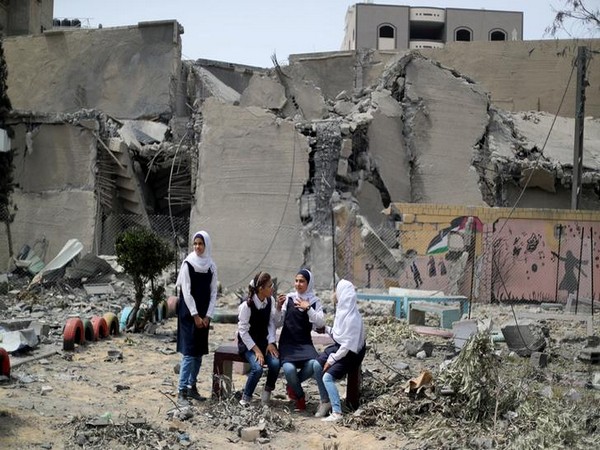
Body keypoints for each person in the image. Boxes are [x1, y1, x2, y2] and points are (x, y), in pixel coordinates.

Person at [277, 269, 330, 416]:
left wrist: (308, 309)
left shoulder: (314, 301)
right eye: (296, 281)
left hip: (304, 344)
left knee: (314, 364)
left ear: (309, 283)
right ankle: (300, 396)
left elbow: (320, 322)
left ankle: (292, 386)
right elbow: (277, 322)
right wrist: (277, 307)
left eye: (302, 281)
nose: (298, 284)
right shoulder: (288, 299)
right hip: (288, 344)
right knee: (288, 370)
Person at [175, 230, 218, 404]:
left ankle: (192, 387)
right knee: (189, 353)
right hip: (189, 313)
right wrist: (195, 315)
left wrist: (208, 315)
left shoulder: (211, 266)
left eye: (201, 244)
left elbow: (214, 292)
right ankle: (182, 391)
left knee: (199, 353)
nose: (198, 247)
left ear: (206, 245)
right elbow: (186, 290)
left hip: (204, 314)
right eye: (195, 244)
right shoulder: (188, 264)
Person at [318, 279, 366, 422]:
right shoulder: (343, 311)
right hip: (343, 348)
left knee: (327, 377)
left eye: (337, 291)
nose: (334, 294)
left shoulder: (352, 318)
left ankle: (337, 412)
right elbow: (340, 335)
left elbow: (347, 345)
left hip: (352, 353)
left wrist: (332, 359)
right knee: (316, 363)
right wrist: (326, 329)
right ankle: (325, 401)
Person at [237, 271, 281, 407]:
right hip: (249, 344)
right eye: (269, 286)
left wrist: (271, 342)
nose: (272, 288)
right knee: (257, 368)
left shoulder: (270, 301)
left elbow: (273, 323)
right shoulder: (247, 306)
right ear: (261, 289)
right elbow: (243, 331)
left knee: (275, 363)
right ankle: (246, 398)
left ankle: (267, 391)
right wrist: (256, 350)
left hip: (264, 342)